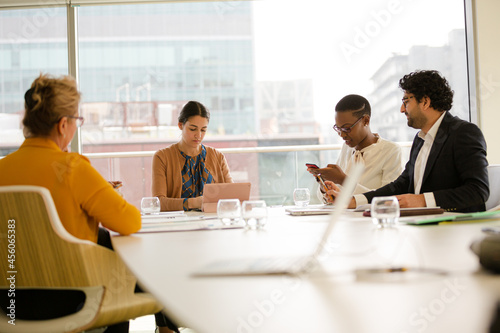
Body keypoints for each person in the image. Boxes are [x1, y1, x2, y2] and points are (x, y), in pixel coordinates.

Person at [0, 73, 140, 332]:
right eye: (77, 120)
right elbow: (130, 222)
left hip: (8, 303)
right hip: (73, 300)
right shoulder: (73, 168)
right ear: (63, 125)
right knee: (120, 276)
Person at [326, 70, 489, 213]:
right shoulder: (420, 140)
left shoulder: (464, 133)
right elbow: (400, 186)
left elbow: (478, 191)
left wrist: (422, 201)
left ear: (425, 102)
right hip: (423, 225)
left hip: (456, 227)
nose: (402, 109)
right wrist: (354, 201)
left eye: (406, 102)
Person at [308, 94, 402, 197]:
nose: (342, 135)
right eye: (338, 129)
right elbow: (332, 198)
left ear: (366, 121)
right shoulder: (347, 148)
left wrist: (343, 181)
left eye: (346, 129)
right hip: (344, 212)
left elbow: (390, 199)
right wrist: (325, 186)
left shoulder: (391, 151)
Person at [152, 100, 233, 212]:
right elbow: (158, 203)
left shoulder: (218, 157)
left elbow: (232, 196)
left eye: (203, 130)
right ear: (180, 125)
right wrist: (194, 203)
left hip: (212, 222)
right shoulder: (162, 157)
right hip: (177, 225)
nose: (198, 135)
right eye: (193, 129)